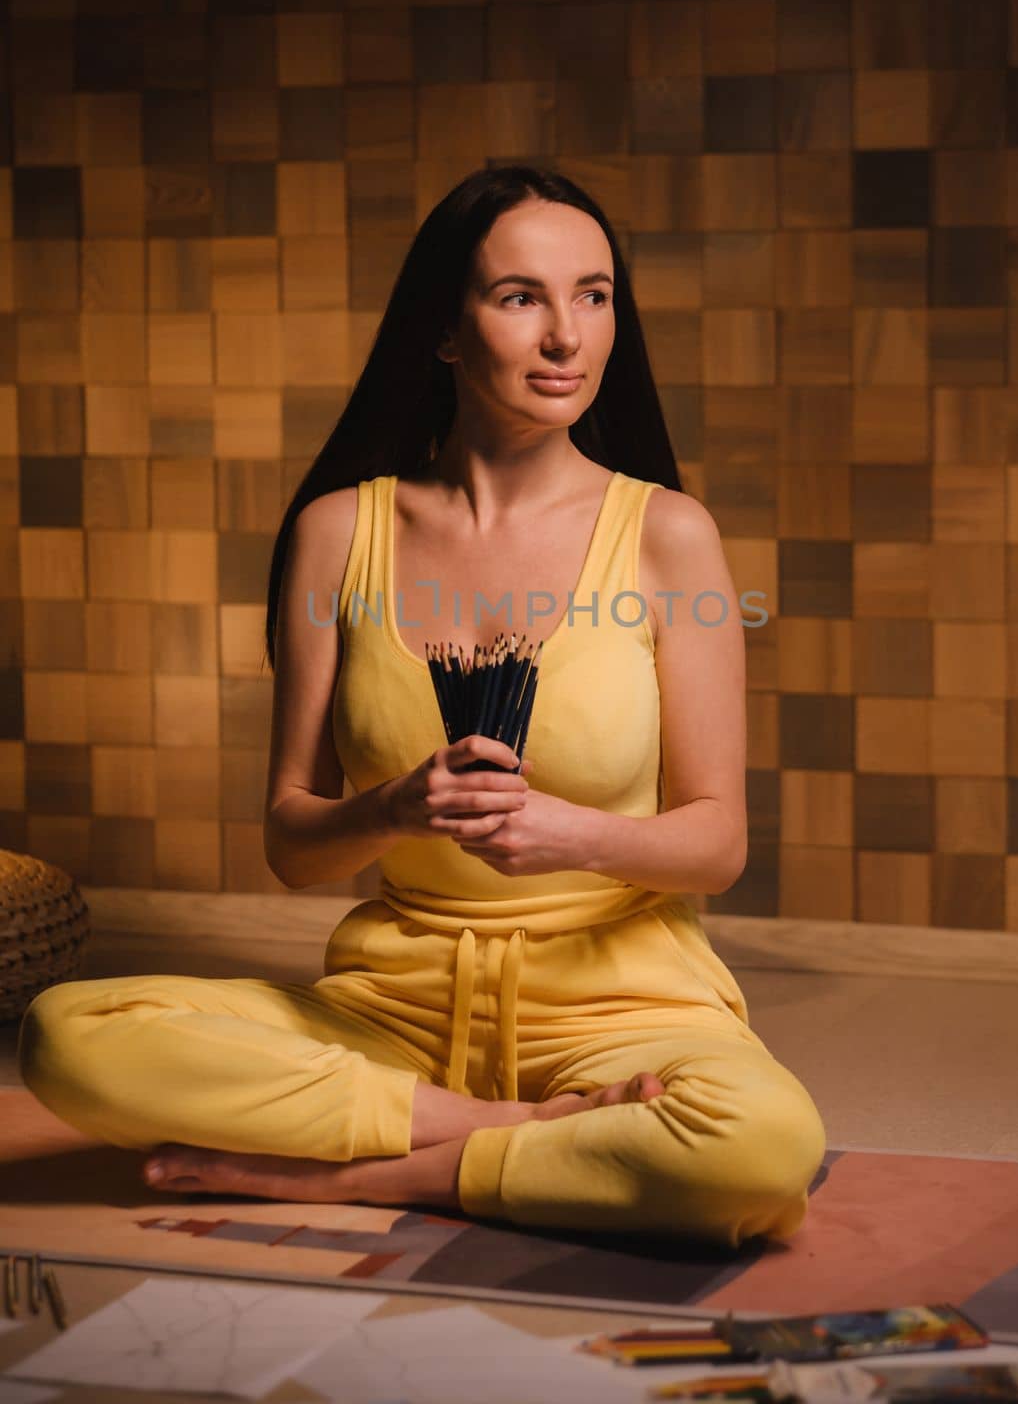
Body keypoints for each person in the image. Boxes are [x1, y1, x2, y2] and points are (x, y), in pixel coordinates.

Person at [17, 166, 826, 1246]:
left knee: (759, 1144)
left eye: (592, 296)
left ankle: (366, 1176)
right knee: (67, 1035)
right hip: (387, 1014)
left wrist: (566, 833)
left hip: (620, 1009)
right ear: (444, 332)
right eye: (519, 297)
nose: (565, 336)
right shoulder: (338, 533)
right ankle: (505, 1130)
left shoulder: (669, 534)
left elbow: (715, 841)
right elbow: (291, 846)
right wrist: (391, 809)